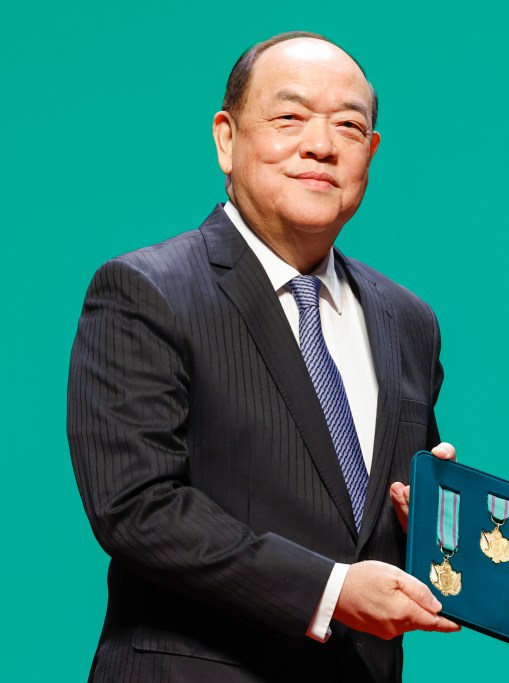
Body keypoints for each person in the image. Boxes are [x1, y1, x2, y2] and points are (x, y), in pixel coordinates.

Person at [67, 31, 459, 683]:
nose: (321, 145)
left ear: (370, 153)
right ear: (226, 138)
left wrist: (432, 519)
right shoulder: (146, 290)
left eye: (348, 126)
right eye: (290, 117)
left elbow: (369, 527)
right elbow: (135, 506)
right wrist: (330, 590)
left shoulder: (408, 320)